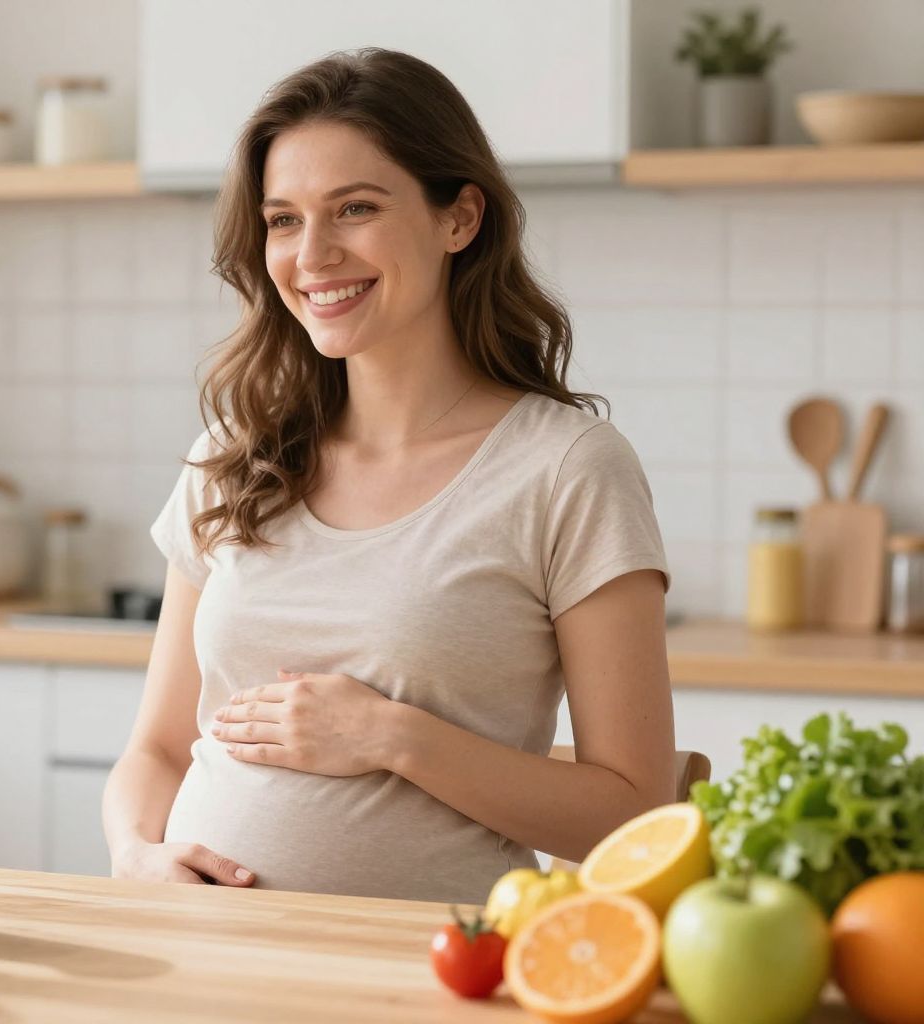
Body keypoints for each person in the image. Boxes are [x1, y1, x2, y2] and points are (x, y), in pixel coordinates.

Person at [101, 48, 675, 903]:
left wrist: (391, 736)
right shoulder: (234, 452)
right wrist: (134, 853)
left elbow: (636, 813)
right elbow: (155, 749)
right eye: (284, 220)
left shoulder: (567, 469)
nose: (313, 254)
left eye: (355, 209)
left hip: (429, 973)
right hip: (201, 959)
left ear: (460, 218)